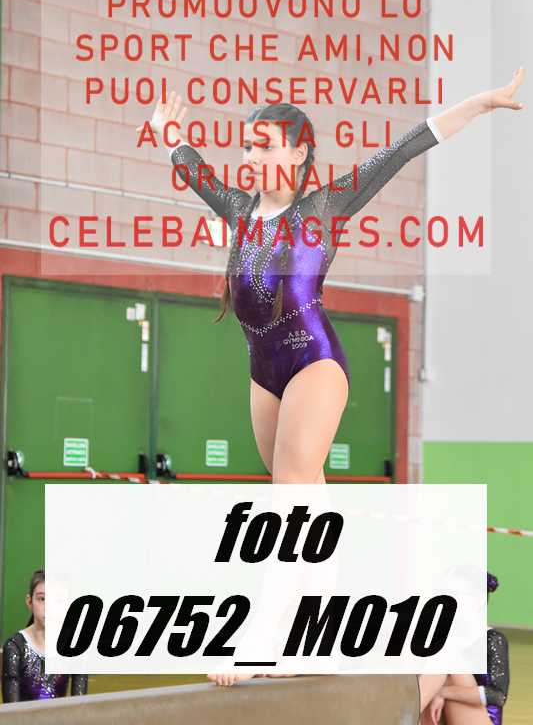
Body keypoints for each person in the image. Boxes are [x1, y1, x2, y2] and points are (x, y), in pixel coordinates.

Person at [142, 69, 524, 686]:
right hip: (263, 369)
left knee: (289, 492)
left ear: (297, 153)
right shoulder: (240, 210)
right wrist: (169, 135)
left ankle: (265, 632)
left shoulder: (322, 207)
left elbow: (403, 148)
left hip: (314, 363)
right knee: (306, 500)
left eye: (265, 145)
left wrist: (478, 104)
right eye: (248, 145)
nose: (251, 156)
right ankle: (314, 634)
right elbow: (194, 170)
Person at [419, 572, 510, 724]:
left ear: (479, 600)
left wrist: (442, 692)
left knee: (444, 658)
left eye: (454, 594)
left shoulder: (493, 639)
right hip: (446, 715)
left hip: (481, 718)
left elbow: (497, 696)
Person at [1, 569, 88, 703]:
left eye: (58, 600)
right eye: (42, 599)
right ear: (29, 601)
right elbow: (12, 708)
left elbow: (80, 705)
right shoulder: (15, 647)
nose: (49, 607)